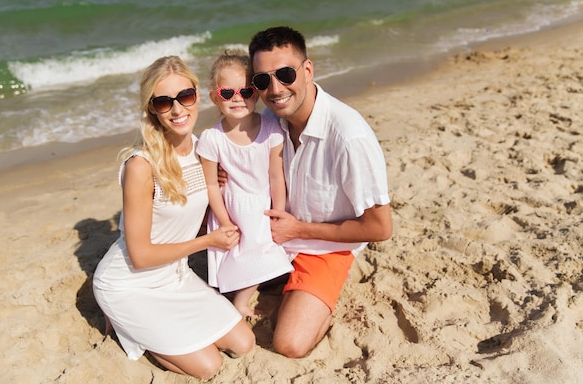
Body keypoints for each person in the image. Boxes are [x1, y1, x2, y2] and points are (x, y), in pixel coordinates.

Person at [92, 56, 255, 380]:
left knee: (244, 343)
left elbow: (192, 210)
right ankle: (126, 323)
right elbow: (140, 256)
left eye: (185, 96)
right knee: (209, 366)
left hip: (174, 277)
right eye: (165, 102)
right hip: (129, 284)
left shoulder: (204, 148)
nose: (178, 109)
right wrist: (208, 241)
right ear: (153, 108)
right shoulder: (141, 166)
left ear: (197, 95)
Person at [248, 26, 393, 358]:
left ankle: (329, 293)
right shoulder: (271, 121)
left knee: (290, 343)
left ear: (308, 70)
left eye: (285, 74)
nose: (275, 89)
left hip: (326, 247)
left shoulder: (348, 136)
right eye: (261, 81)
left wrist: (298, 230)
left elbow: (380, 228)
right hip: (278, 238)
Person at [196, 50, 294, 317]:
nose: (238, 98)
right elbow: (211, 186)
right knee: (242, 256)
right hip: (231, 208)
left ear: (257, 93)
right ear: (216, 97)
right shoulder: (211, 139)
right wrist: (224, 220)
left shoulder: (271, 129)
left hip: (262, 204)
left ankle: (243, 297)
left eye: (246, 91)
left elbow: (276, 176)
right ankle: (239, 300)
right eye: (228, 93)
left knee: (265, 249)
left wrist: (280, 211)